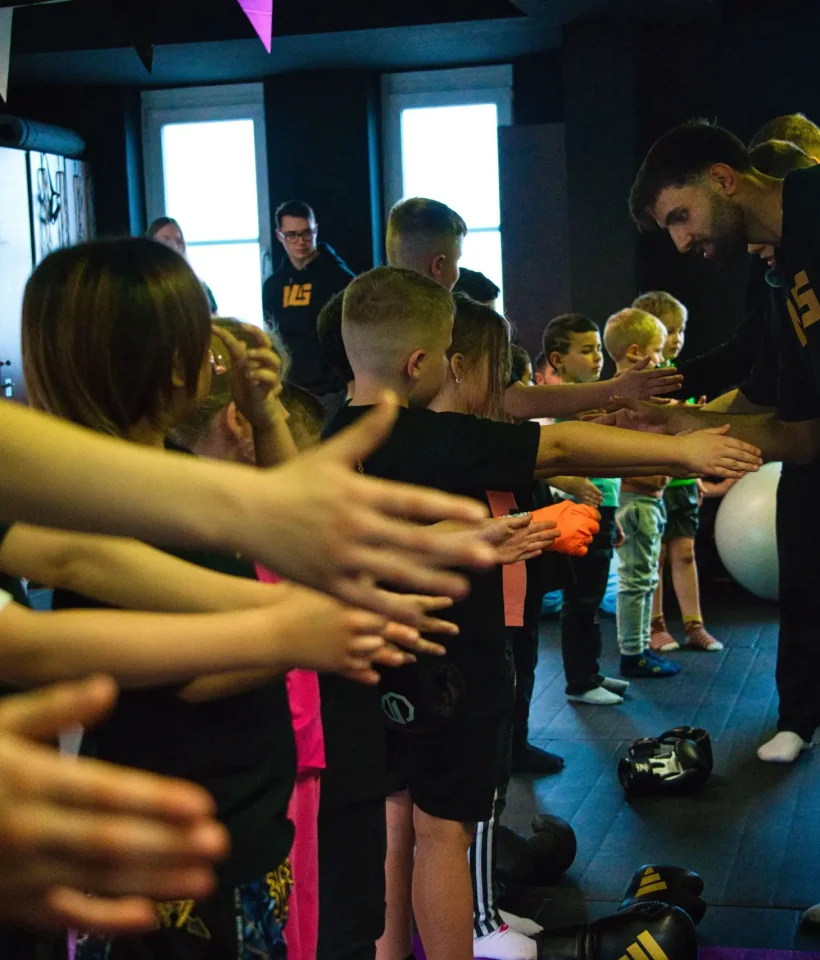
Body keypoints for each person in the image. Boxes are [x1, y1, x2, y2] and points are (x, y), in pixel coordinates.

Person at [327, 265, 759, 960]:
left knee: (392, 820)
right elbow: (555, 443)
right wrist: (679, 448)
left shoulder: (328, 433)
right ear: (420, 364)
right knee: (444, 835)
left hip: (370, 665)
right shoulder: (429, 437)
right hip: (447, 667)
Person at [626, 118, 820, 758]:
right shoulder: (782, 268)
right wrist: (671, 408)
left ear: (724, 179)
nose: (680, 242)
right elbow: (769, 386)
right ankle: (799, 714)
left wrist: (684, 427)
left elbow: (798, 433)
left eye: (681, 216)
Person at [385, 197, 686, 422]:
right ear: (439, 265)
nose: (457, 274)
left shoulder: (363, 315)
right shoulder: (457, 321)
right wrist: (615, 389)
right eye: (457, 261)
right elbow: (516, 400)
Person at [542, 313, 629, 704]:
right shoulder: (568, 406)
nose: (598, 358)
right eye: (587, 350)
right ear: (558, 360)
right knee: (580, 599)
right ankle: (580, 682)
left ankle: (590, 673)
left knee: (590, 598)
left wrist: (613, 517)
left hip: (602, 510)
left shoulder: (589, 402)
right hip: (578, 513)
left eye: (598, 349)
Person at [631, 291, 723, 653]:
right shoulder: (643, 381)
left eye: (680, 330)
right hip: (654, 483)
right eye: (669, 330)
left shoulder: (680, 377)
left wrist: (697, 475)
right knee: (655, 555)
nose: (677, 338)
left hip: (683, 482)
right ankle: (655, 625)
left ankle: (694, 624)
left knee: (684, 552)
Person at [603, 308, 679, 679]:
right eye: (658, 351)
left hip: (649, 501)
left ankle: (640, 647)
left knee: (646, 578)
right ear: (635, 352)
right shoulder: (623, 399)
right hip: (636, 502)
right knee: (636, 580)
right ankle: (632, 654)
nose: (664, 359)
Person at [262, 201, 355, 396]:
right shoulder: (273, 287)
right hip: (290, 387)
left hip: (333, 389)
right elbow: (274, 338)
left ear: (315, 230)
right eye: (292, 235)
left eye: (306, 233)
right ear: (280, 235)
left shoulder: (340, 279)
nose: (300, 241)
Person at [147, 216, 218, 314]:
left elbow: (214, 320)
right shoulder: (144, 287)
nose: (174, 246)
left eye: (178, 241)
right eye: (165, 240)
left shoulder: (199, 286)